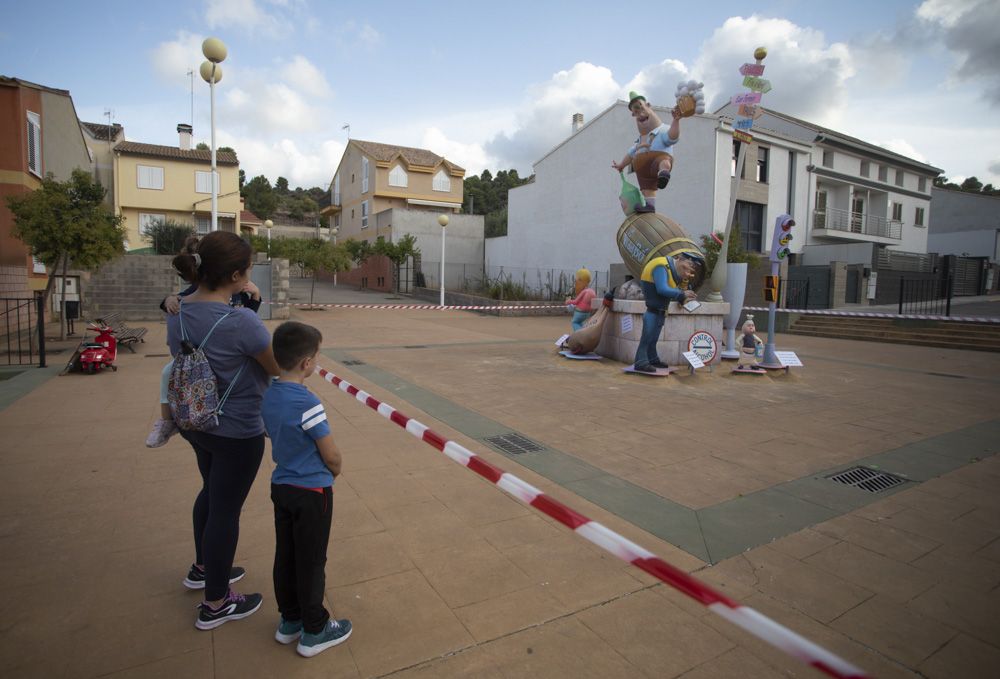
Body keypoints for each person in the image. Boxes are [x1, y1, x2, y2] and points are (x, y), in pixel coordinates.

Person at [165, 230, 280, 630]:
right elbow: (274, 366)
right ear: (235, 275)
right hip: (237, 430)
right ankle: (216, 603)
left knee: (211, 493)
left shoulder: (177, 310)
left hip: (196, 421)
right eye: (247, 270)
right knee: (225, 512)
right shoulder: (242, 321)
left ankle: (203, 568)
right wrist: (250, 309)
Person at [263, 321, 353, 658]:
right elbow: (329, 452)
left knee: (285, 554)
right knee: (312, 560)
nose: (316, 363)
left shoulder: (269, 395)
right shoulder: (308, 402)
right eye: (315, 358)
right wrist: (336, 469)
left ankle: (290, 620)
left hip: (282, 486)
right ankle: (314, 629)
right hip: (313, 491)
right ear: (306, 363)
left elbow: (272, 432)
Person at [146, 235, 263, 448]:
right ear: (235, 274)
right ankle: (166, 420)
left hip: (198, 427)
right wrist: (168, 301)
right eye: (249, 268)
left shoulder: (235, 299)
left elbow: (247, 318)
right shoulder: (194, 296)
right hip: (233, 425)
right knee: (167, 373)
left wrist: (256, 296)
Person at [633, 251, 704, 373]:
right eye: (688, 264)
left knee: (653, 338)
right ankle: (641, 361)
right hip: (652, 311)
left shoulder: (672, 273)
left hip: (661, 311)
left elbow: (672, 292)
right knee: (647, 337)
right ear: (680, 259)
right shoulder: (661, 266)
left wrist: (683, 298)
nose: (689, 269)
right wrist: (681, 294)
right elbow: (662, 289)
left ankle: (652, 358)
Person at [612, 91, 682, 214]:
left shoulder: (662, 129)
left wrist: (676, 121)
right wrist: (622, 165)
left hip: (658, 160)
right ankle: (650, 206)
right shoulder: (639, 139)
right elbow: (631, 153)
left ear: (648, 106)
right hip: (644, 171)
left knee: (662, 162)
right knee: (646, 188)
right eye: (636, 113)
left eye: (642, 109)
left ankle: (663, 173)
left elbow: (672, 137)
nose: (640, 115)